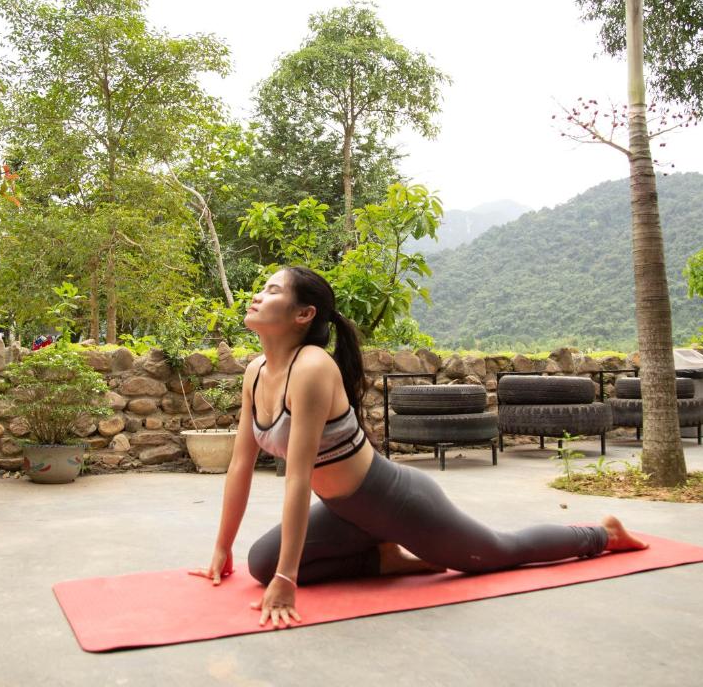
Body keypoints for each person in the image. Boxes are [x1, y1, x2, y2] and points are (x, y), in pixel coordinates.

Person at [190, 267, 647, 628]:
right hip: (347, 512)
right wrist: (221, 549)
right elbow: (240, 466)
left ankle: (602, 534)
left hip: (394, 501)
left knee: (491, 555)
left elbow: (298, 478)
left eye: (271, 290)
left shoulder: (311, 367)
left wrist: (290, 582)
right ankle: (389, 558)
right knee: (261, 563)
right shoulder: (255, 371)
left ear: (303, 314)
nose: (257, 295)